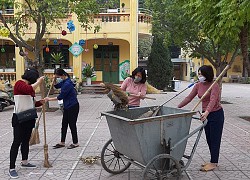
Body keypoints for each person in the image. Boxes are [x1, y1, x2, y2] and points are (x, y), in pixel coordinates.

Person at [178, 65, 224, 172]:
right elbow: (189, 97)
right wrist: (177, 107)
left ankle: (214, 163)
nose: (199, 76)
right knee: (209, 138)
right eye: (199, 74)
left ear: (207, 75)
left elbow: (213, 100)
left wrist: (207, 112)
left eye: (201, 74)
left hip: (216, 114)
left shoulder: (214, 85)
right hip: (205, 114)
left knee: (215, 139)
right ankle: (213, 160)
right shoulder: (198, 85)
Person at [9, 68, 44, 179]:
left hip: (29, 117)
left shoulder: (30, 89)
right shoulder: (19, 84)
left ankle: (25, 161)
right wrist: (39, 82)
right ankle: (12, 168)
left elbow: (32, 103)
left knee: (25, 141)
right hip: (19, 118)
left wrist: (41, 102)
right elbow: (28, 89)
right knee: (16, 142)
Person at [44, 68, 79, 150]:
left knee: (72, 125)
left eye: (58, 76)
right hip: (67, 106)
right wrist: (54, 80)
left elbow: (60, 97)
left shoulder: (68, 84)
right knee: (64, 124)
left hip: (73, 106)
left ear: (63, 75)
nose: (58, 77)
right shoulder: (64, 81)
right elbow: (56, 86)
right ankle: (62, 142)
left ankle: (76, 142)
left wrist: (48, 99)